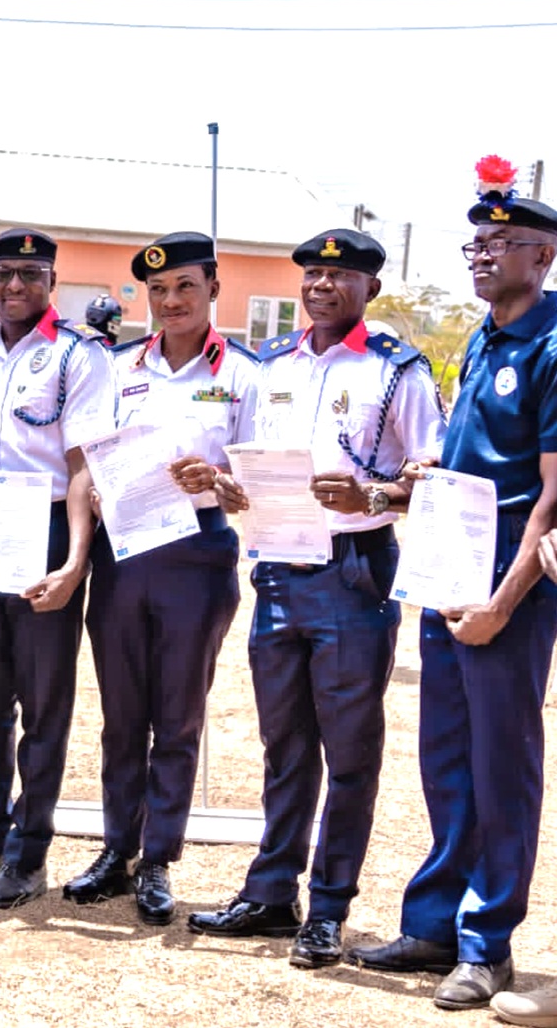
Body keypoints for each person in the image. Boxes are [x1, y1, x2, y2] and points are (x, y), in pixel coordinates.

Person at [191, 228, 445, 971]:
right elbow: (244, 457)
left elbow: (431, 474)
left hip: (352, 570)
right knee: (285, 745)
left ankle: (329, 907)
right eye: (311, 275)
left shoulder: (397, 372)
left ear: (370, 288)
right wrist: (229, 487)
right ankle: (272, 892)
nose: (321, 286)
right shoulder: (274, 365)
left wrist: (377, 491)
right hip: (275, 566)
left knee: (350, 750)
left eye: (340, 276)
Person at [352, 159, 557, 1015]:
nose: (481, 254)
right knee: (446, 759)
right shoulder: (481, 337)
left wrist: (501, 604)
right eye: (476, 241)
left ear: (542, 258)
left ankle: (488, 945)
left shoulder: (550, 345)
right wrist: (436, 461)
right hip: (450, 555)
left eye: (502, 242)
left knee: (499, 765)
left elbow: (553, 495)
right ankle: (437, 922)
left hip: (509, 573)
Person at [67, 232, 256, 926]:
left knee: (176, 715)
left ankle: (157, 859)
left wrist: (225, 481)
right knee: (122, 714)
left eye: (184, 286)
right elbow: (87, 459)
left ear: (213, 287)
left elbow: (258, 483)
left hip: (198, 554)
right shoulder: (116, 369)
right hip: (123, 554)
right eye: (158, 291)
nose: (171, 301)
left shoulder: (244, 374)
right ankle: (116, 849)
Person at [0, 228, 113, 909]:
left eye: (29, 275)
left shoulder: (77, 355)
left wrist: (74, 560)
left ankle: (29, 852)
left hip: (48, 529)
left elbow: (83, 463)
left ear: (51, 283)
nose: (13, 288)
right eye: (2, 274)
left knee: (43, 703)